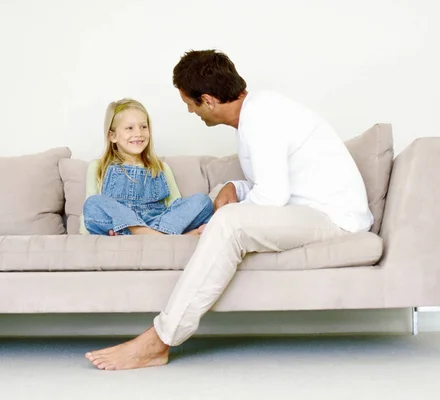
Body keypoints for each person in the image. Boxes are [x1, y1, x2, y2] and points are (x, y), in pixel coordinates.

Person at [85, 50, 374, 370]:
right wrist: (234, 188)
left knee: (228, 222)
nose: (191, 112)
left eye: (190, 104)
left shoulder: (262, 118)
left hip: (334, 219)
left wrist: (224, 216)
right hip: (308, 209)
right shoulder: (257, 114)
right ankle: (174, 241)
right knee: (218, 205)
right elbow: (281, 185)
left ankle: (160, 340)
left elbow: (274, 196)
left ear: (207, 100)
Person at [81, 98, 213, 236]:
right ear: (112, 136)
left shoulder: (161, 167)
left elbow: (175, 205)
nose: (138, 133)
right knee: (93, 203)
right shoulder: (98, 167)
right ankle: (157, 236)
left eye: (143, 127)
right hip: (122, 225)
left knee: (202, 201)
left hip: (158, 222)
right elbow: (89, 214)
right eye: (129, 128)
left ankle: (150, 234)